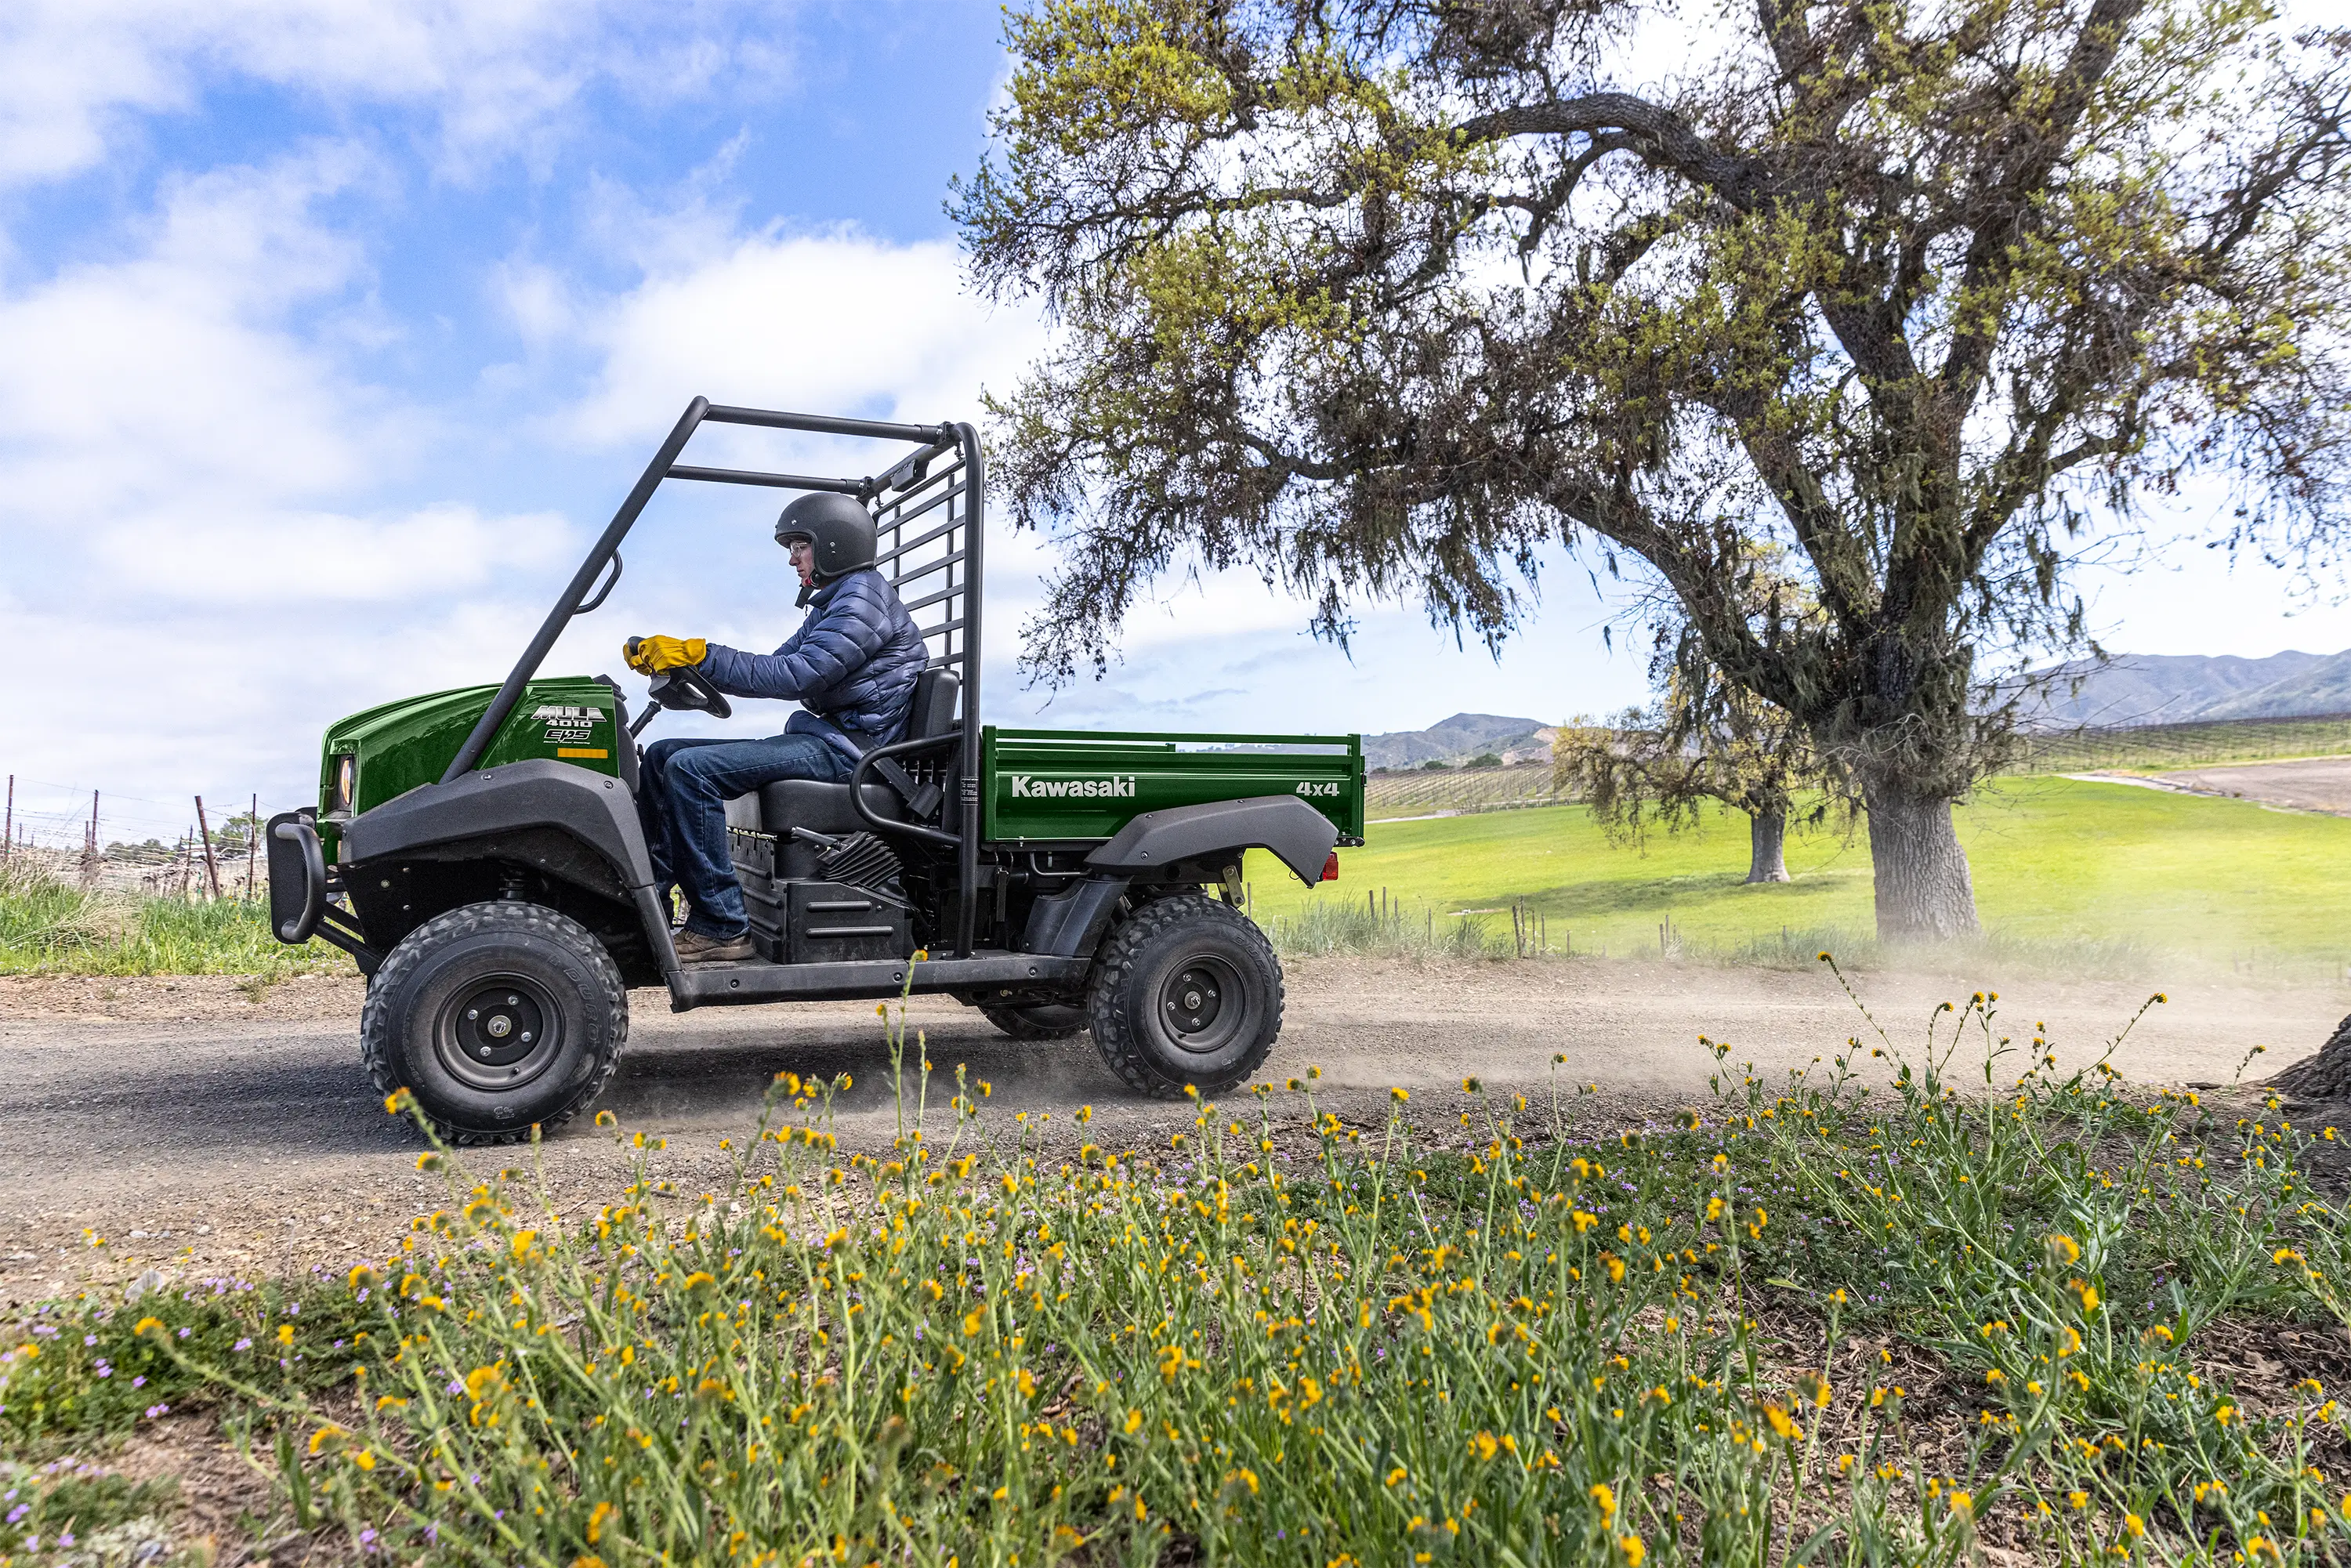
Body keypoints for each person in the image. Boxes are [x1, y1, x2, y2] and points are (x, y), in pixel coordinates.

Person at [624, 493, 929, 963]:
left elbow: (796, 676)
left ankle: (723, 928)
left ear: (833, 545)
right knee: (664, 753)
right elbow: (777, 663)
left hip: (853, 751)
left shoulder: (862, 602)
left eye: (799, 546)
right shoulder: (835, 604)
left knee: (691, 770)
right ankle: (648, 905)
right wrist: (681, 656)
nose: (792, 559)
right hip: (828, 738)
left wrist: (703, 654)